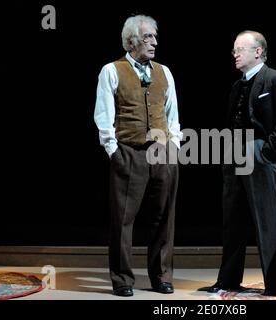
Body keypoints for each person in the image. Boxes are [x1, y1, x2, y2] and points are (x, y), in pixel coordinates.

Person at [94, 15, 182, 297]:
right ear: (132, 41)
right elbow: (104, 115)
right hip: (129, 152)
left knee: (164, 218)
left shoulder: (164, 72)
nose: (154, 42)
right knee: (123, 220)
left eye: (155, 37)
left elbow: (172, 115)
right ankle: (122, 279)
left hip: (162, 153)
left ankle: (161, 277)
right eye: (148, 37)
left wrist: (174, 147)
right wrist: (113, 151)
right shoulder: (111, 70)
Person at [208, 30, 276, 296]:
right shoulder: (238, 85)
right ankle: (228, 279)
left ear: (258, 51)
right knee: (232, 220)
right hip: (234, 153)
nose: (234, 54)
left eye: (240, 49)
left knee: (268, 222)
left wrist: (267, 151)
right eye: (234, 49)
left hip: (259, 152)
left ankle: (274, 282)